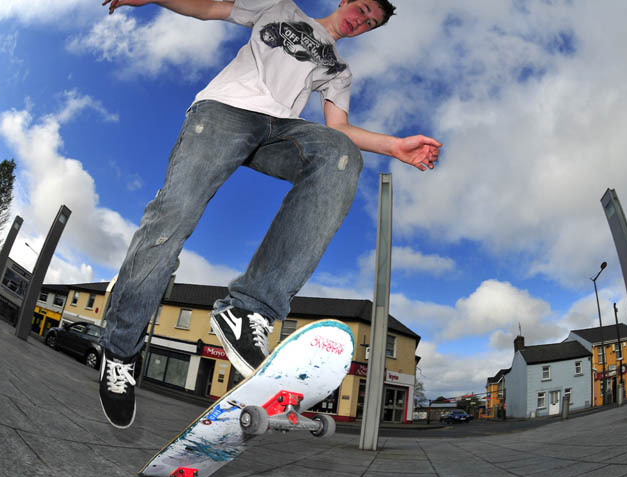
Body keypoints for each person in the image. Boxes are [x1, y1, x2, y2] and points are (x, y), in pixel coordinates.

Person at [98, 0, 442, 429]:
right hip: (226, 112)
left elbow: (338, 129)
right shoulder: (279, 9)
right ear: (345, 1)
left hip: (280, 132)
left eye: (371, 23)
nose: (362, 21)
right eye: (363, 9)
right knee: (174, 217)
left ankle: (249, 307)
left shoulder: (338, 69)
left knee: (340, 155)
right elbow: (210, 8)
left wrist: (394, 146)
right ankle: (121, 346)